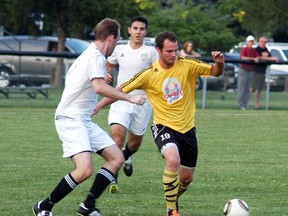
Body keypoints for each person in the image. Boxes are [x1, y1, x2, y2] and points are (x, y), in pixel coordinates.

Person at [94, 31, 224, 216]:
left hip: (187, 129)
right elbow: (121, 89)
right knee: (172, 160)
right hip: (163, 126)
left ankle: (172, 198)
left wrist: (219, 63)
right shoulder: (149, 73)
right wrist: (99, 104)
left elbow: (215, 72)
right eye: (169, 51)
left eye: (175, 50)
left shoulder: (187, 65)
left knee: (186, 179)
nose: (173, 54)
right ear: (159, 50)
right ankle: (171, 210)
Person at [32, 18, 147, 216]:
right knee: (85, 170)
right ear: (111, 38)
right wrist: (130, 98)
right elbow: (98, 87)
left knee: (117, 158)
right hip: (70, 119)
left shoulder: (94, 57)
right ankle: (44, 206)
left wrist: (101, 77)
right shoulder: (95, 57)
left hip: (83, 120)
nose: (117, 43)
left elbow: (88, 80)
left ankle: (88, 206)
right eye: (118, 39)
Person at [105, 16, 159, 193]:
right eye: (135, 28)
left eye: (141, 29)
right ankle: (113, 176)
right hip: (121, 99)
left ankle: (126, 157)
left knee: (134, 144)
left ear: (146, 31)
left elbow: (160, 73)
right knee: (117, 139)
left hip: (142, 102)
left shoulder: (151, 52)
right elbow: (107, 65)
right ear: (129, 30)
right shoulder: (119, 49)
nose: (138, 32)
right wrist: (105, 75)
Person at [250, 36, 278, 109]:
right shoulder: (256, 49)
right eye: (262, 41)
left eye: (265, 42)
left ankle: (257, 104)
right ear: (259, 42)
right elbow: (259, 57)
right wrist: (272, 58)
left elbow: (269, 58)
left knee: (259, 89)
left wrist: (273, 59)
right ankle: (246, 102)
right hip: (255, 71)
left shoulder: (266, 50)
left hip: (263, 71)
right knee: (253, 88)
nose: (263, 43)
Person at [237, 35, 259, 110]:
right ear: (247, 42)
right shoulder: (244, 49)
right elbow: (243, 57)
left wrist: (256, 58)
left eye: (252, 41)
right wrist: (253, 59)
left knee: (247, 88)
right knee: (242, 88)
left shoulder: (253, 50)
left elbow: (257, 57)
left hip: (250, 70)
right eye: (250, 41)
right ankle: (240, 104)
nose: (251, 43)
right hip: (243, 70)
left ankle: (245, 104)